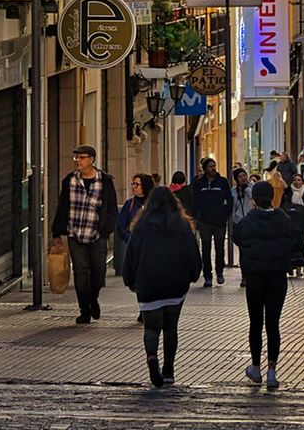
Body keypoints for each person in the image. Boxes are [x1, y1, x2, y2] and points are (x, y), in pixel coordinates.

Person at [122, 186, 202, 387]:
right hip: (175, 282)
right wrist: (193, 274)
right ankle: (168, 369)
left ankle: (151, 357)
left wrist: (130, 279)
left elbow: (131, 254)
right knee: (170, 326)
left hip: (148, 282)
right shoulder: (182, 225)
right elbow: (192, 253)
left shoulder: (140, 227)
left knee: (151, 327)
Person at [232, 181, 295, 389]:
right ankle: (272, 370)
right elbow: (292, 239)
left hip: (255, 277)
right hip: (277, 277)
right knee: (273, 324)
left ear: (254, 200)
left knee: (256, 323)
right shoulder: (283, 219)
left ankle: (256, 366)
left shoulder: (249, 221)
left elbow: (237, 237)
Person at [52, 144, 119, 324]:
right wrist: (57, 232)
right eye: (76, 158)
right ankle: (84, 310)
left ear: (91, 159)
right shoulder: (69, 181)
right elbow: (62, 207)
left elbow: (111, 208)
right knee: (80, 273)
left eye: (81, 158)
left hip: (97, 235)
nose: (77, 161)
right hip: (75, 234)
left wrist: (106, 230)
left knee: (98, 272)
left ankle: (93, 299)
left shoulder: (104, 181)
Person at [188, 157, 233, 286]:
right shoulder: (198, 183)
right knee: (205, 249)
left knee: (220, 248)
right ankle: (207, 275)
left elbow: (229, 199)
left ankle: (219, 271)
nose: (213, 168)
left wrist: (225, 214)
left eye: (214, 166)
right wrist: (195, 218)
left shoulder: (222, 182)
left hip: (219, 221)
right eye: (210, 166)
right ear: (204, 169)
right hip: (204, 222)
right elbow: (194, 202)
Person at [115, 173, 153, 277]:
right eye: (133, 184)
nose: (133, 187)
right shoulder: (129, 204)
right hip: (135, 248)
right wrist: (129, 238)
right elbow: (120, 226)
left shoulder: (153, 203)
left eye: (137, 184)